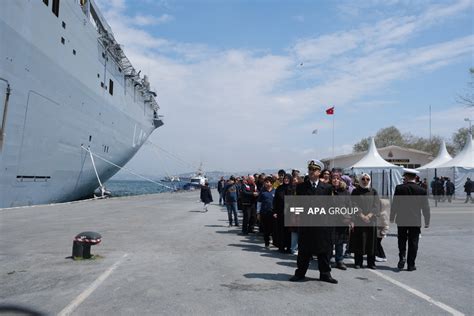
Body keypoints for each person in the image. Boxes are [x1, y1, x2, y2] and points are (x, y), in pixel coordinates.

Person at [289, 159, 337, 284]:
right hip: (306, 224)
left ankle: (325, 274)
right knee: (304, 250)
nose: (311, 172)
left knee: (324, 250)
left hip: (322, 225)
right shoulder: (301, 187)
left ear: (319, 172)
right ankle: (300, 273)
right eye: (310, 169)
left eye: (314, 169)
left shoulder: (327, 188)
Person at [390, 168, 430, 271]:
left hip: (402, 219)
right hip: (415, 220)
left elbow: (395, 204)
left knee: (402, 240)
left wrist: (391, 217)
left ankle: (402, 257)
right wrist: (427, 220)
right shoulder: (421, 190)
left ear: (406, 177)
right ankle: (411, 264)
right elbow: (425, 207)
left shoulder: (399, 188)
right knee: (414, 242)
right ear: (415, 178)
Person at [350, 173, 381, 269]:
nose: (365, 181)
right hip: (359, 220)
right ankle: (358, 262)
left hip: (371, 221)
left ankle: (371, 263)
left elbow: (377, 205)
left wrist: (369, 215)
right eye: (363, 179)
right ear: (360, 180)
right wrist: (362, 216)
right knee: (359, 241)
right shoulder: (355, 191)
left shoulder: (373, 191)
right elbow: (353, 204)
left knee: (371, 242)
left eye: (367, 179)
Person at [273, 174, 294, 253]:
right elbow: (275, 201)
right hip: (280, 212)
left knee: (289, 231)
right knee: (281, 230)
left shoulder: (293, 188)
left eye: (288, 178)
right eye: (285, 178)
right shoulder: (279, 188)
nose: (286, 180)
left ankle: (289, 247)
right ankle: (281, 246)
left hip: (290, 213)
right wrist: (275, 211)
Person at [257, 176, 276, 248]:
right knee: (266, 229)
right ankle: (267, 243)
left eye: (267, 182)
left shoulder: (275, 191)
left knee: (273, 229)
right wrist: (258, 213)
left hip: (273, 213)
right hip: (264, 213)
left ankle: (274, 242)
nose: (266, 183)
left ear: (271, 183)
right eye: (265, 182)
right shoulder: (262, 192)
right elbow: (259, 203)